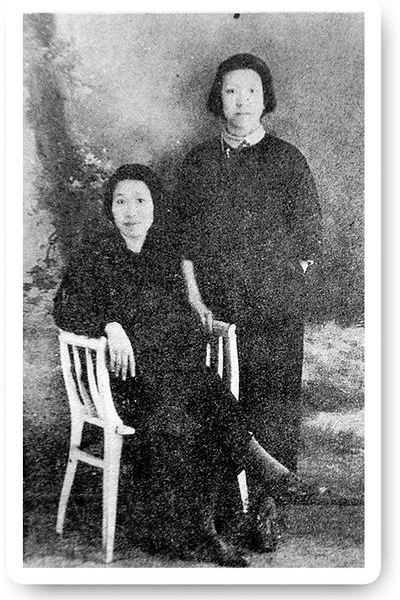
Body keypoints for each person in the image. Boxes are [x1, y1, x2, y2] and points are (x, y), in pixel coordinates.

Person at [53, 164, 331, 568]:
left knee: (200, 403)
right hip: (120, 385)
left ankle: (205, 532)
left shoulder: (162, 254)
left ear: (154, 206)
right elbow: (65, 307)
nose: (130, 211)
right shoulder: (96, 253)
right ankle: (268, 475)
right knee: (203, 399)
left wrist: (180, 326)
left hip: (170, 381)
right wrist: (110, 326)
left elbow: (177, 322)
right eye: (120, 201)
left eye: (140, 200)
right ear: (109, 208)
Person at [177, 54, 323, 495]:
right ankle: (225, 502)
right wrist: (196, 300)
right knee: (220, 399)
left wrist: (282, 284)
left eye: (252, 91)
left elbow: (309, 236)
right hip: (215, 305)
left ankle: (270, 503)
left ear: (265, 99)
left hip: (275, 306)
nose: (242, 101)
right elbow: (184, 239)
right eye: (231, 91)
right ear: (218, 99)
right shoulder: (199, 162)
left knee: (274, 399)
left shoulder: (286, 159)